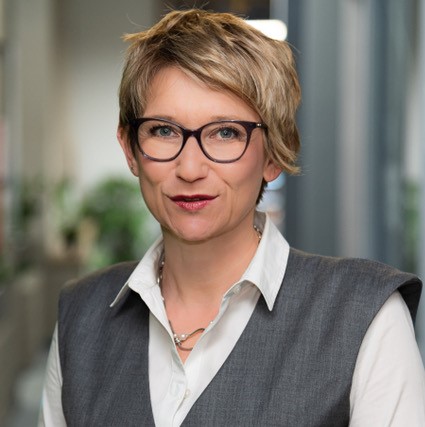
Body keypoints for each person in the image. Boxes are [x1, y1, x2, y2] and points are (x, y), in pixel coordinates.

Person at [39, 8, 425, 426]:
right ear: (130, 149)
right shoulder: (80, 316)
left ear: (274, 155)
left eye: (225, 133)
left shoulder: (366, 317)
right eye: (163, 130)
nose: (190, 168)